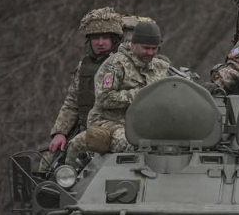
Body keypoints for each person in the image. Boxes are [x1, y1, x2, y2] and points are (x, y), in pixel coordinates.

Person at [66, 21, 170, 165]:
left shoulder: (162, 67)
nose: (150, 52)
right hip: (112, 123)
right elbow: (105, 98)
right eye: (146, 48)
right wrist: (143, 94)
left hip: (148, 125)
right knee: (135, 145)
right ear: (133, 44)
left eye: (154, 48)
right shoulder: (114, 66)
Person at [48, 7, 123, 155]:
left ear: (114, 39)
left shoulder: (125, 65)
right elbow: (72, 102)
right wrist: (60, 132)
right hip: (84, 131)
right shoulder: (84, 66)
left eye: (105, 37)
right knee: (49, 163)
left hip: (115, 133)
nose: (100, 43)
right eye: (95, 38)